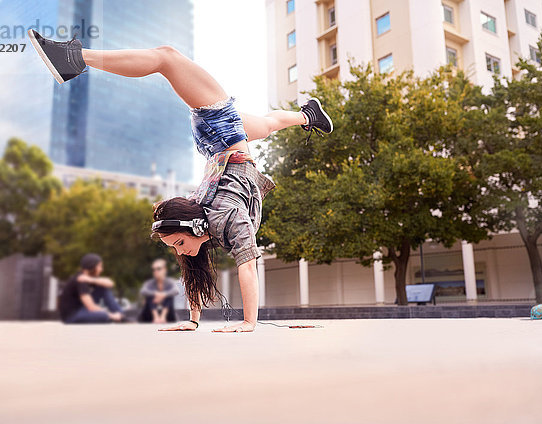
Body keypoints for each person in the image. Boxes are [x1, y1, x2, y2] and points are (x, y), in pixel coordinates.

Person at [28, 30, 333, 332]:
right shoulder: (229, 220)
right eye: (177, 245)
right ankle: (309, 116)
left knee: (167, 58)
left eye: (177, 244)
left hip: (218, 137)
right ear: (195, 228)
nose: (180, 251)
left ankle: (74, 57)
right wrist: (215, 322)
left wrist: (236, 322)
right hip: (220, 138)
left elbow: (207, 255)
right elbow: (248, 267)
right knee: (262, 124)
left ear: (194, 226)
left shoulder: (205, 220)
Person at [58, 253, 126, 324]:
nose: (101, 269)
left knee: (103, 286)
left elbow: (110, 283)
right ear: (92, 266)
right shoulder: (80, 280)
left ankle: (121, 316)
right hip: (72, 316)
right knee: (104, 317)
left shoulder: (87, 278)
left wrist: (91, 280)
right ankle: (117, 317)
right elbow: (91, 307)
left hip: (83, 310)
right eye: (99, 266)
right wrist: (111, 315)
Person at [138, 258, 180, 323]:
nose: (156, 271)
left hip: (168, 315)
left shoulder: (169, 281)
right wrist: (156, 294)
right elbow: (143, 291)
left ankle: (163, 317)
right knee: (149, 296)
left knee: (169, 296)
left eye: (158, 269)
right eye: (153, 270)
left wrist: (163, 295)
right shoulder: (150, 283)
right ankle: (156, 317)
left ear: (164, 270)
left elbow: (176, 290)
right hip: (149, 315)